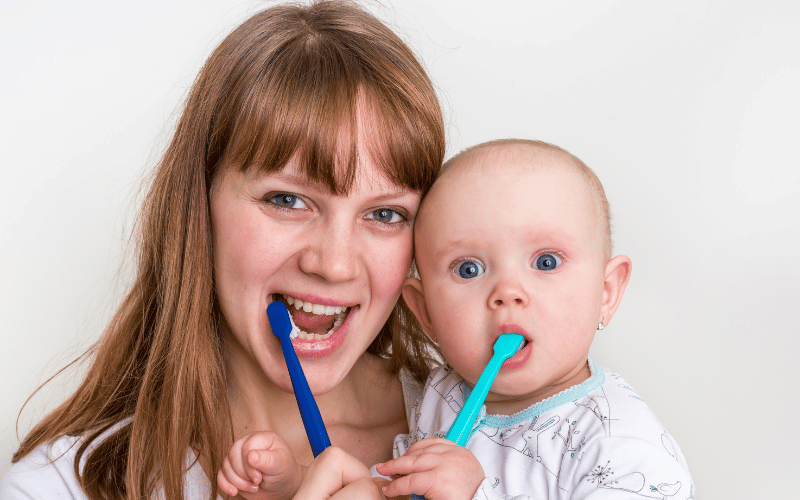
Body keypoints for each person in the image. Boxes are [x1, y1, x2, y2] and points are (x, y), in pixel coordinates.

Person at [0, 1, 445, 499]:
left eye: (385, 215)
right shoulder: (58, 488)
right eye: (287, 200)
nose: (335, 264)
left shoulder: (516, 447)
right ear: (198, 206)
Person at [372, 139, 695, 499]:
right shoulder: (439, 395)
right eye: (468, 269)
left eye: (546, 262)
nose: (507, 291)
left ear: (605, 292)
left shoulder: (619, 444)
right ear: (425, 312)